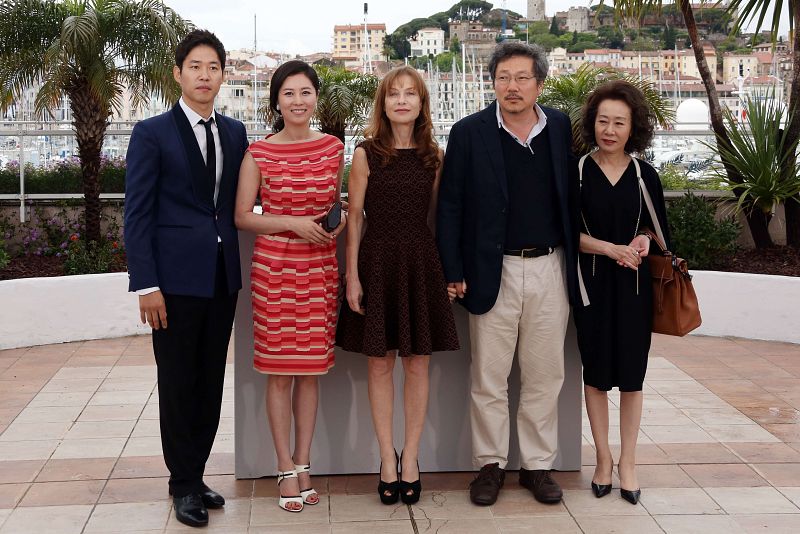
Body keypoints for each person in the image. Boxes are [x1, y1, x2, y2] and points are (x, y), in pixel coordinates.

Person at [436, 41, 580, 506]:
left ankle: (537, 466)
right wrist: (453, 269)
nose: (512, 87)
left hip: (550, 267)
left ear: (540, 83)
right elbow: (450, 206)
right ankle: (490, 466)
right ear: (492, 82)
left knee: (545, 375)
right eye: (503, 78)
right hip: (490, 270)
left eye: (521, 78)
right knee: (488, 377)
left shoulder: (559, 126)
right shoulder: (468, 132)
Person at [124, 30, 249, 528]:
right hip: (172, 283)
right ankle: (182, 484)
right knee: (177, 382)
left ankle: (195, 474)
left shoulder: (235, 132)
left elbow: (244, 199)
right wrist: (146, 284)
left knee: (210, 381)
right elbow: (137, 214)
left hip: (221, 278)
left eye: (213, 67)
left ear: (222, 75)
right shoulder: (151, 132)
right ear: (178, 74)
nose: (204, 75)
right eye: (195, 66)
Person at [336, 66, 460, 505]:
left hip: (421, 262)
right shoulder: (365, 153)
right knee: (379, 365)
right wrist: (352, 276)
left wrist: (447, 274)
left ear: (422, 103)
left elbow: (440, 220)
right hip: (377, 261)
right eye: (394, 94)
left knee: (419, 364)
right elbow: (354, 219)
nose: (402, 100)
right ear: (383, 104)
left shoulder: (434, 156)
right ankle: (386, 457)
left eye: (410, 94)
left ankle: (412, 458)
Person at [234, 60, 346, 513]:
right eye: (288, 93)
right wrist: (293, 224)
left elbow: (334, 206)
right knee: (280, 373)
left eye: (305, 92)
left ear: (315, 97)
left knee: (310, 372)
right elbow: (243, 216)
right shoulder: (258, 152)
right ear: (276, 101)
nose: (298, 101)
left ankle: (304, 463)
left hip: (320, 269)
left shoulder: (334, 148)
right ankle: (283, 466)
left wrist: (334, 224)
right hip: (275, 273)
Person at [575, 80, 669, 506]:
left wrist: (643, 241)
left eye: (619, 123)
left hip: (633, 289)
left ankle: (628, 461)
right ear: (592, 123)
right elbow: (565, 234)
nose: (609, 130)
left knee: (632, 378)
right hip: (592, 286)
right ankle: (603, 459)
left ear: (634, 128)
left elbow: (659, 232)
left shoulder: (645, 175)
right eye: (603, 121)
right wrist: (609, 248)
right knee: (595, 377)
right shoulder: (577, 172)